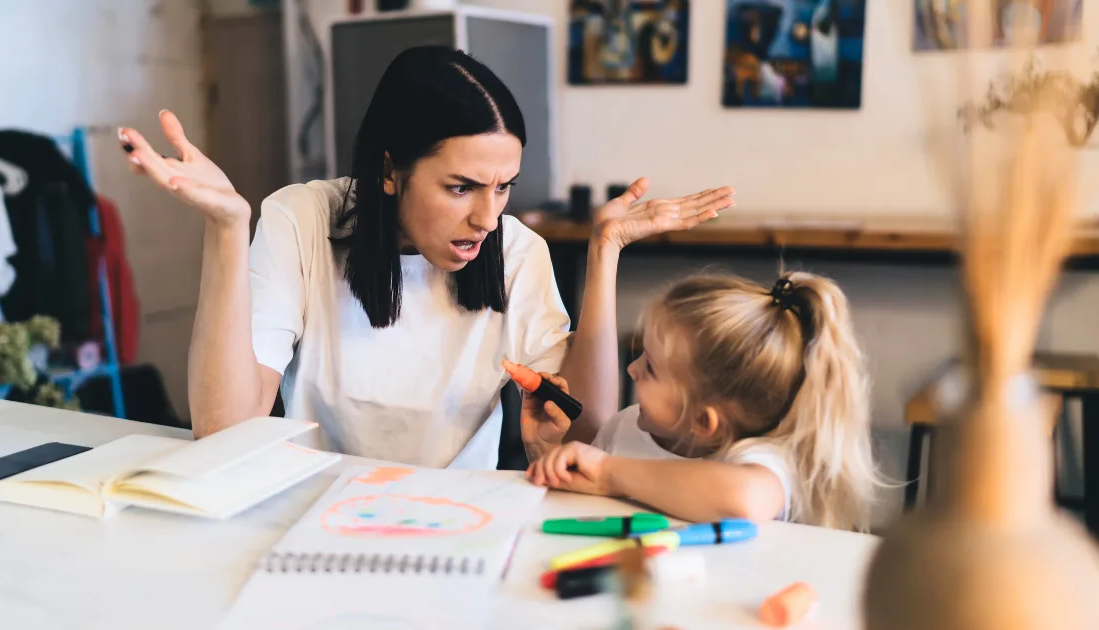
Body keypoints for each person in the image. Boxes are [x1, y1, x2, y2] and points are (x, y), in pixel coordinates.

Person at [116, 45, 734, 468]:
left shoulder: (517, 251)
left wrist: (605, 252)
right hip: (312, 516)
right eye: (460, 187)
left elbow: (586, 427)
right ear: (391, 170)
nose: (487, 218)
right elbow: (222, 430)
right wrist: (229, 227)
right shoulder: (301, 220)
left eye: (503, 187)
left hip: (457, 526)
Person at [522, 195, 883, 530]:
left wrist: (609, 472)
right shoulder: (625, 428)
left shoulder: (761, 460)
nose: (631, 370)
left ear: (703, 421)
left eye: (650, 369)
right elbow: (580, 506)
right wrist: (549, 454)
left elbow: (743, 500)